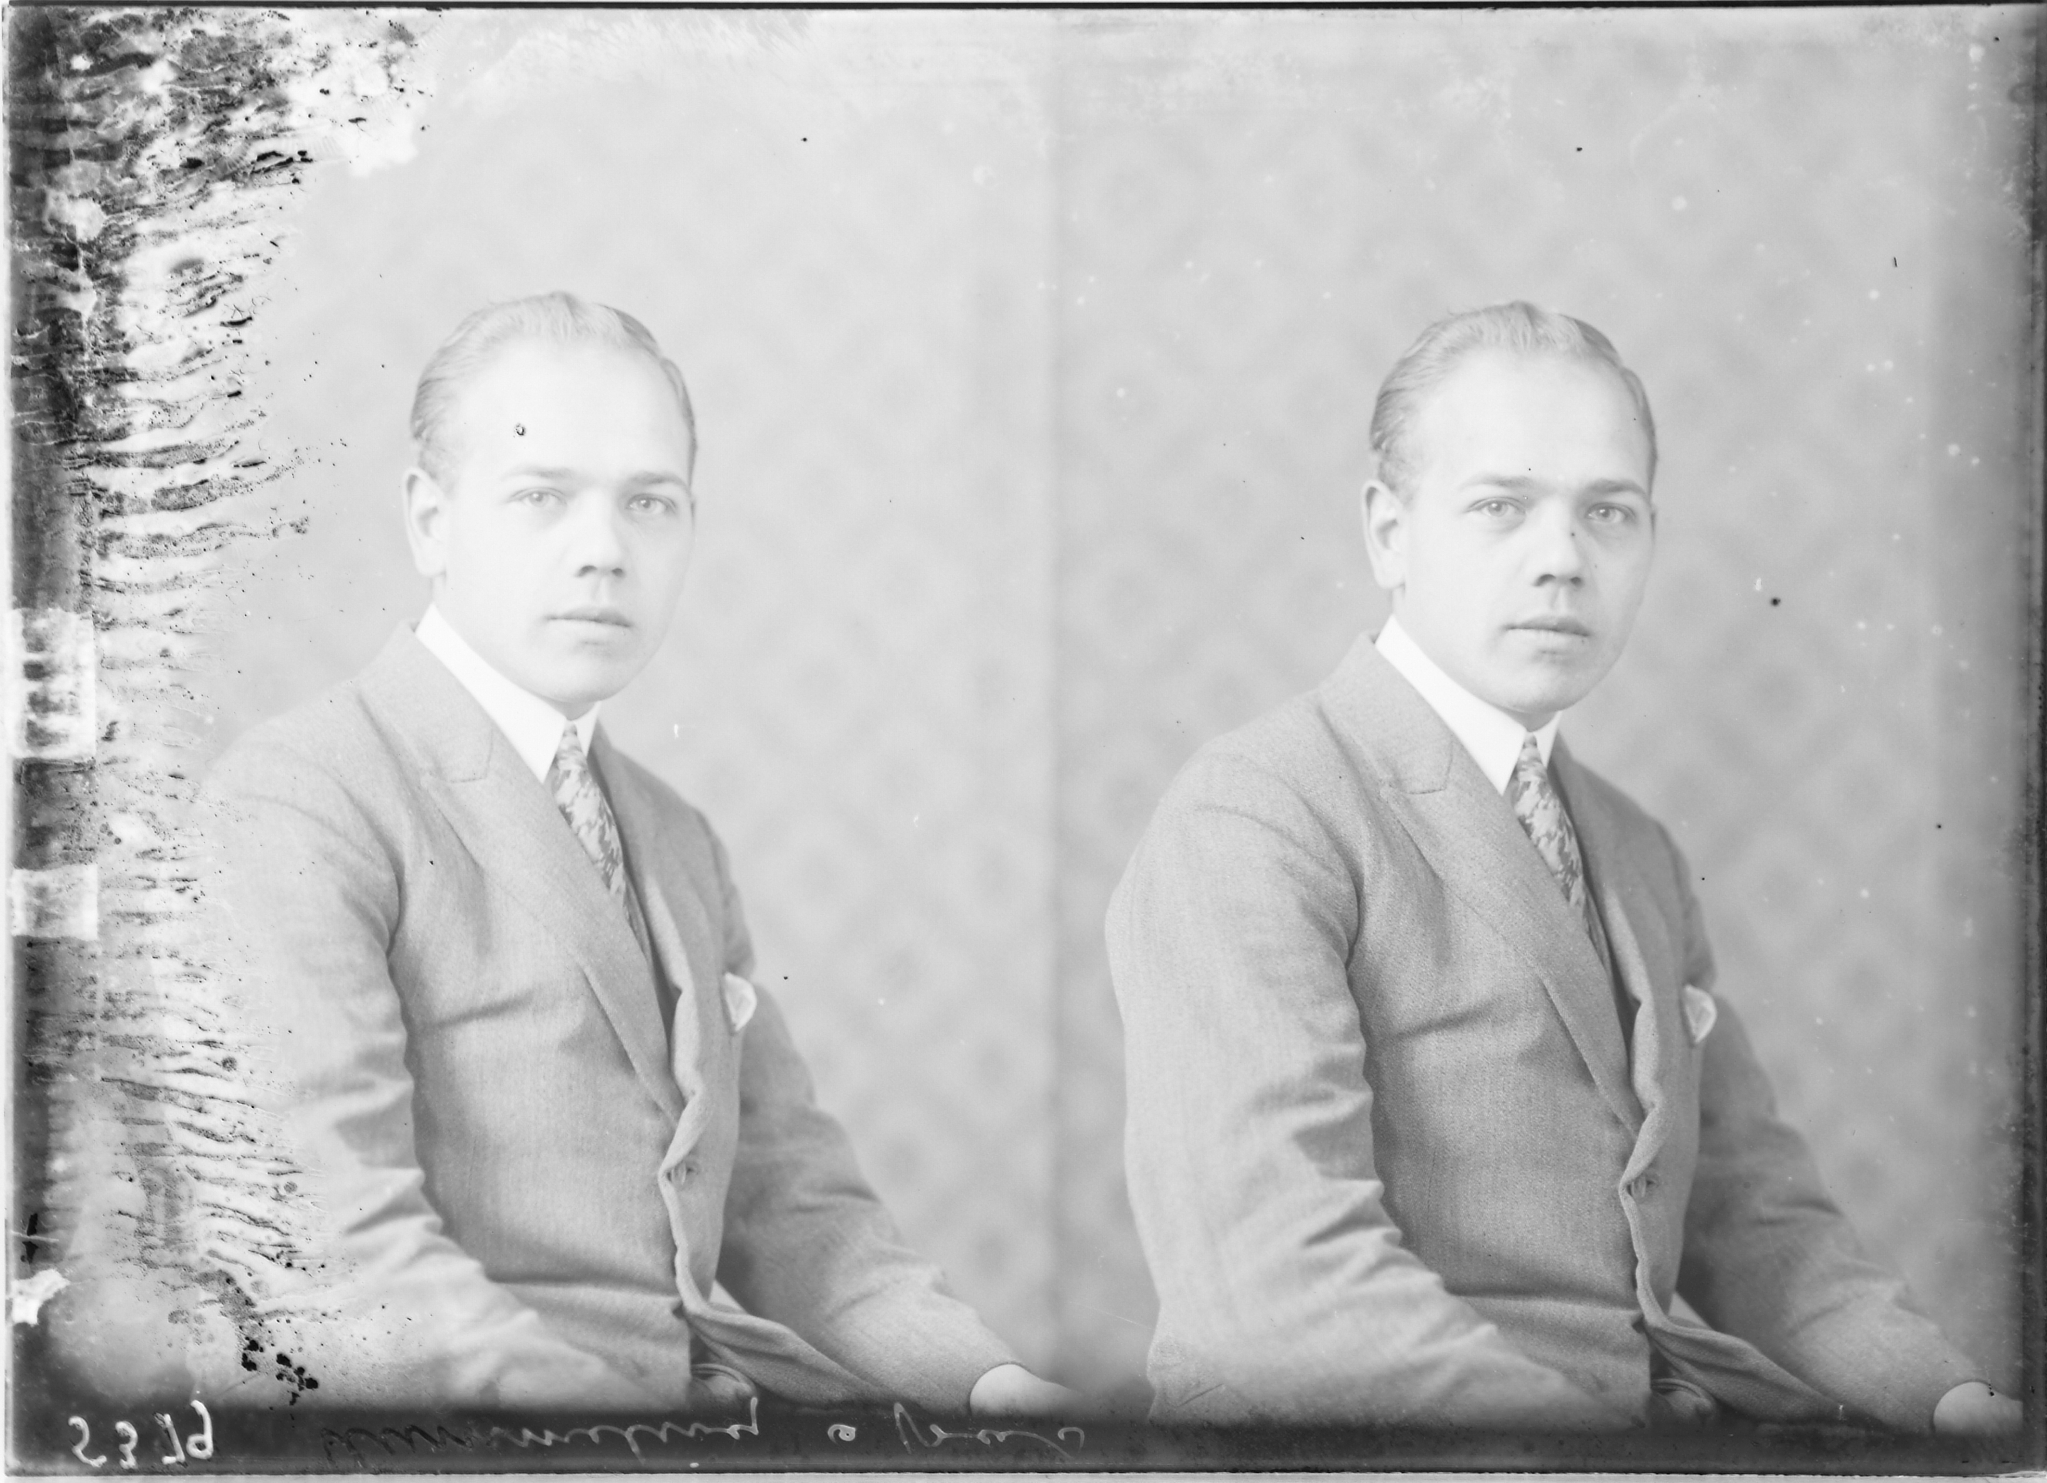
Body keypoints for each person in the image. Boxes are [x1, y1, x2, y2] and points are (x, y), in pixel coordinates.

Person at [1106, 302, 2019, 1435]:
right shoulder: (1257, 814)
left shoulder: (1635, 851)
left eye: (1607, 512)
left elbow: (1758, 1222)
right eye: (1500, 506)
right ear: (1388, 533)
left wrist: (1954, 1401)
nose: (1561, 560)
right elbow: (1279, 1286)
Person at [202, 292, 1070, 1417]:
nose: (605, 552)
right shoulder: (305, 795)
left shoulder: (674, 839)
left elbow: (792, 1207)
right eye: (541, 498)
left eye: (649, 503)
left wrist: (993, 1384)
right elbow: (336, 1238)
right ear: (429, 521)